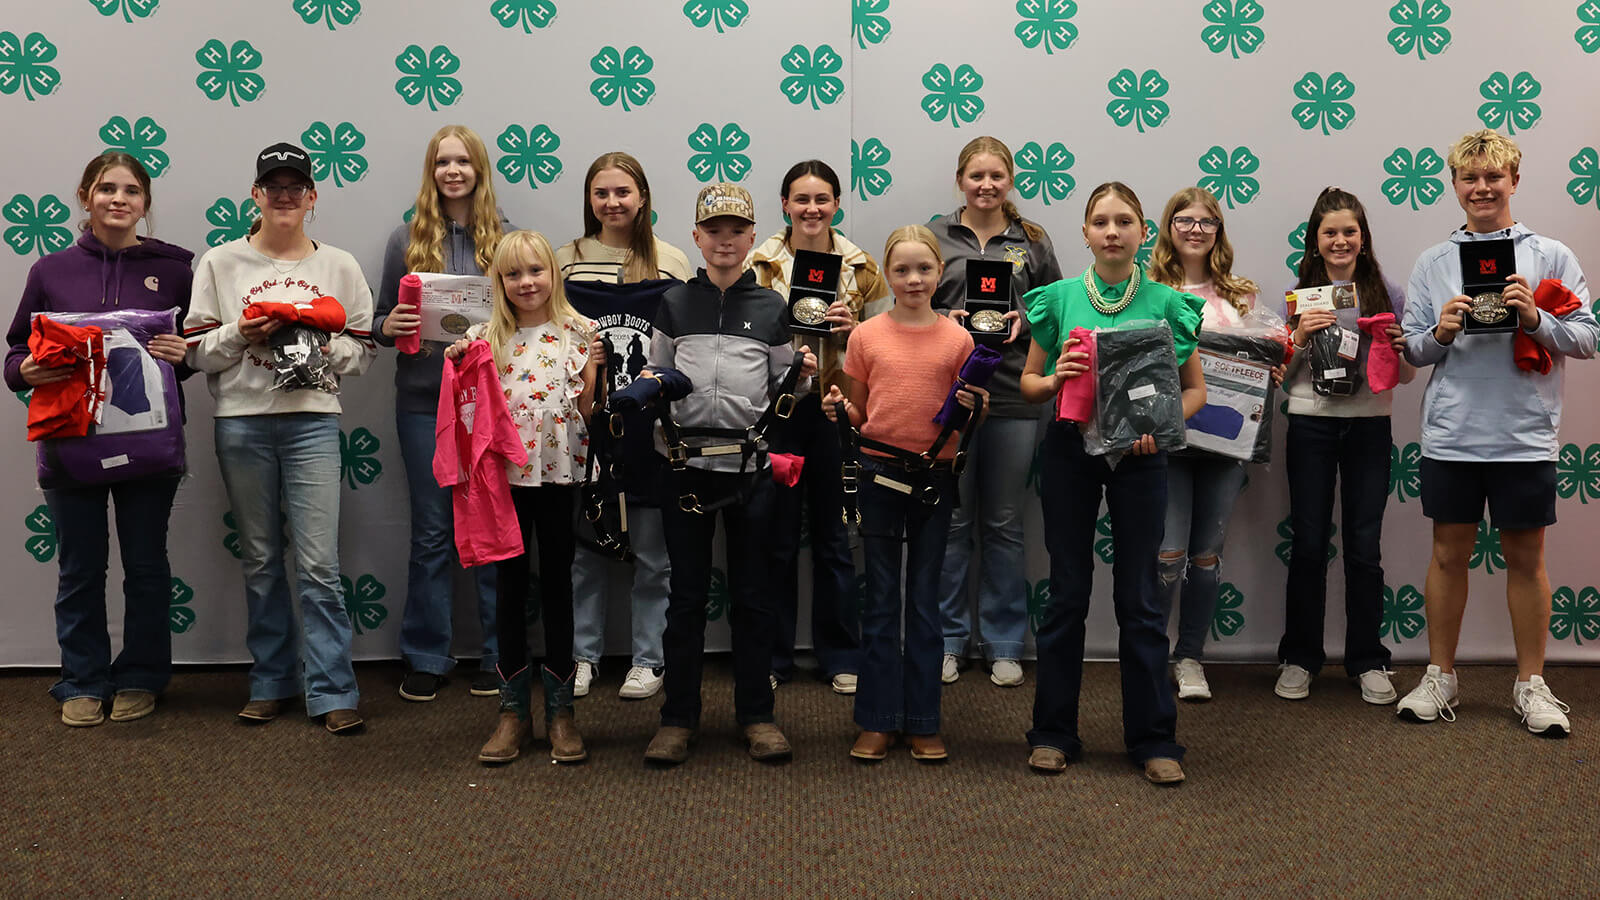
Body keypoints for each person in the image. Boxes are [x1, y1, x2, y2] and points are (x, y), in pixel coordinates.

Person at [1397, 129, 1596, 736]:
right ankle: (1440, 674)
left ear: (1514, 180)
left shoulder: (1552, 255)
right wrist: (1442, 332)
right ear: (1455, 185)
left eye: (1493, 177)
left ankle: (1531, 684)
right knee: (1447, 555)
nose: (1481, 188)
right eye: (1469, 178)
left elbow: (1588, 337)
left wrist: (1535, 318)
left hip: (1524, 435)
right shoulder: (1434, 261)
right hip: (1452, 435)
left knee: (1526, 560)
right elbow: (1411, 349)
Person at [184, 142, 375, 734]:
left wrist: (312, 337)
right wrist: (244, 331)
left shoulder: (339, 266)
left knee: (319, 563)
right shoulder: (220, 263)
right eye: (274, 187)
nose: (285, 196)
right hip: (241, 422)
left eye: (297, 187)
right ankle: (270, 680)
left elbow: (363, 352)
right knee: (262, 560)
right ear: (256, 195)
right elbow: (196, 353)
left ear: (312, 198)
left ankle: (333, 688)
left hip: (313, 421)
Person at [1019, 182, 1205, 785]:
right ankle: (1052, 732)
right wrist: (1054, 380)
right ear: (1085, 232)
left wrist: (1163, 425)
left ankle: (1153, 738)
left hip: (1142, 458)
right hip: (1071, 453)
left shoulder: (1167, 303)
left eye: (1124, 221)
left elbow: (1195, 390)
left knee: (1140, 599)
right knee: (1067, 594)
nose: (1112, 231)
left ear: (1143, 230)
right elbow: (1028, 383)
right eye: (1100, 221)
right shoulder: (1059, 299)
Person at [4, 153, 194, 727]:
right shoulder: (50, 270)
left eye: (131, 191)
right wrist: (24, 372)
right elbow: (16, 353)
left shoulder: (178, 269)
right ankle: (82, 678)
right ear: (85, 196)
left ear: (145, 202)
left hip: (151, 448)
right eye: (107, 188)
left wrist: (186, 356)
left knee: (146, 564)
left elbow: (193, 357)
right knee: (80, 567)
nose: (119, 199)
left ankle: (140, 674)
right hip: (70, 445)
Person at [641, 183, 817, 766]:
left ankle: (757, 715)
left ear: (752, 238)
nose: (724, 240)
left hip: (751, 470)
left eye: (736, 231)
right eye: (712, 230)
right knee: (686, 597)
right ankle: (677, 719)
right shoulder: (673, 304)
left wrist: (807, 373)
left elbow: (787, 390)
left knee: (753, 595)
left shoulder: (773, 307)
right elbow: (657, 376)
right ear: (696, 236)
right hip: (685, 468)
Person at [822, 225, 981, 762]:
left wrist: (979, 406)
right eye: (902, 270)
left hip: (935, 476)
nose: (913, 279)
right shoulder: (865, 335)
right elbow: (861, 412)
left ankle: (922, 720)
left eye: (924, 269)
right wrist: (841, 411)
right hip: (878, 472)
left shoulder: (960, 340)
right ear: (886, 277)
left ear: (940, 274)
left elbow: (971, 410)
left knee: (926, 599)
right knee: (883, 597)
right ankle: (876, 718)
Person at [450, 230, 600, 764]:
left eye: (535, 271)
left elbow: (588, 412)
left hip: (559, 476)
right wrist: (457, 359)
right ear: (499, 282)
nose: (526, 282)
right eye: (513, 274)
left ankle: (561, 712)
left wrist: (594, 378)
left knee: (558, 582)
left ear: (552, 274)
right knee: (508, 587)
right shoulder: (483, 336)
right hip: (501, 481)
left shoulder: (579, 333)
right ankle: (513, 712)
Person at [373, 125, 511, 703]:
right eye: (442, 162)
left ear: (479, 169)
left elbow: (531, 313)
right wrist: (391, 326)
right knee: (431, 532)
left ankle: (498, 655)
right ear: (431, 172)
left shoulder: (508, 240)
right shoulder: (405, 239)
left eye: (463, 161)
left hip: (487, 401)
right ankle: (427, 653)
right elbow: (380, 321)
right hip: (422, 401)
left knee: (491, 527)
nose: (453, 171)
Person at [747, 160, 888, 695]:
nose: (812, 209)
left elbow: (886, 342)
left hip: (837, 411)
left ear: (836, 204)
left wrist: (857, 330)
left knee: (834, 537)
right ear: (784, 204)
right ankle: (775, 655)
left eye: (822, 199)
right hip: (778, 413)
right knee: (776, 537)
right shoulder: (759, 264)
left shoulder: (863, 267)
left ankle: (840, 655)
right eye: (801, 199)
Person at [557, 151, 690, 701]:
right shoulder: (564, 261)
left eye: (623, 192)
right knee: (586, 550)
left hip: (651, 429)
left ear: (642, 198)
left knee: (655, 555)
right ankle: (582, 655)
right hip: (586, 427)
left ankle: (648, 659)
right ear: (589, 200)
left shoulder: (672, 261)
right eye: (601, 193)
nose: (612, 203)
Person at [930, 136, 1062, 687]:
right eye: (976, 176)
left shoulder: (1031, 240)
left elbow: (1057, 308)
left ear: (1010, 181)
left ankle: (1005, 641)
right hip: (950, 394)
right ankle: (948, 639)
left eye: (997, 176)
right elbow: (910, 298)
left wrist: (1024, 324)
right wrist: (947, 319)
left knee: (1004, 523)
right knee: (954, 520)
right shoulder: (934, 236)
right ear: (960, 179)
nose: (986, 185)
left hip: (1012, 395)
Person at [1273, 187, 1412, 706]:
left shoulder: (1386, 291)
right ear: (1315, 240)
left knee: (1364, 545)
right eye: (1329, 232)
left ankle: (1367, 659)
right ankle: (1299, 657)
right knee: (1309, 543)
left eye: (1349, 231)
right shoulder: (1298, 292)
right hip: (1310, 425)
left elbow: (1405, 372)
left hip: (1370, 427)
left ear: (1363, 237)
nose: (1340, 240)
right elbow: (1281, 378)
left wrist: (1399, 346)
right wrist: (1301, 337)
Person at [1146, 186, 1264, 702]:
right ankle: (1151, 653)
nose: (1195, 229)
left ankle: (1190, 655)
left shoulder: (1242, 295)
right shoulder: (1146, 287)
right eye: (1185, 220)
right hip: (1168, 437)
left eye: (1206, 222)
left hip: (1226, 442)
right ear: (1168, 227)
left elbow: (1259, 359)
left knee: (1207, 556)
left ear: (1219, 231)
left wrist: (1271, 367)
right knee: (1167, 554)